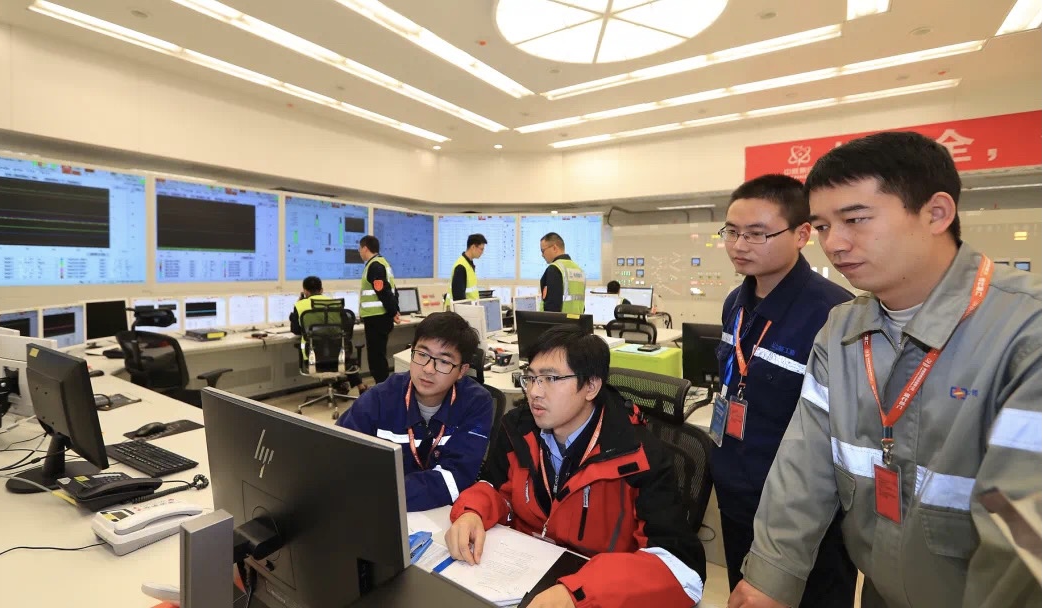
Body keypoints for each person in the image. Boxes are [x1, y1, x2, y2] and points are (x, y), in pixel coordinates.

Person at [728, 132, 1042, 608]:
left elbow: (1024, 537)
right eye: (824, 226)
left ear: (936, 213)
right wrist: (771, 577)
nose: (835, 243)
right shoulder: (843, 328)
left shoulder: (1024, 330)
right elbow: (805, 464)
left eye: (855, 220)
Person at [444, 325, 706, 607]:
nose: (534, 392)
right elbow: (496, 488)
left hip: (599, 593)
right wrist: (472, 511)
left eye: (550, 378)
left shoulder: (638, 456)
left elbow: (682, 572)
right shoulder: (518, 429)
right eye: (530, 378)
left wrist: (580, 593)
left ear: (591, 386)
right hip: (521, 578)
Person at [713, 174, 856, 606]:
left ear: (802, 234)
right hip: (737, 490)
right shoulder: (735, 302)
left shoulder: (833, 312)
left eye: (757, 234)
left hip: (803, 511)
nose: (740, 244)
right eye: (732, 232)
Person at [337, 312, 493, 512]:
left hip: (443, 515)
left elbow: (458, 476)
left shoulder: (476, 403)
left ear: (462, 371)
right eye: (422, 354)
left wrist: (384, 492)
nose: (428, 369)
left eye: (444, 362)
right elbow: (340, 455)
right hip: (381, 511)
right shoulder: (380, 398)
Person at [289, 275, 363, 392]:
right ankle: (357, 386)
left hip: (312, 356)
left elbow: (296, 331)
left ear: (305, 291)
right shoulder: (335, 303)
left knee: (324, 348)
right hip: (338, 356)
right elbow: (346, 327)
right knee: (339, 350)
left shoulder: (299, 305)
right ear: (322, 290)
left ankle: (339, 386)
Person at [358, 235, 400, 385]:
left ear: (365, 248)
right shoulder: (383, 263)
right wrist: (395, 310)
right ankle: (382, 388)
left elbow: (383, 291)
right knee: (378, 356)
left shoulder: (374, 266)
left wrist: (393, 311)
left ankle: (382, 389)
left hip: (377, 318)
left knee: (376, 358)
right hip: (380, 317)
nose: (359, 252)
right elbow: (393, 289)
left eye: (360, 249)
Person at [539, 232, 585, 314]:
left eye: (543, 251)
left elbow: (552, 307)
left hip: (559, 324)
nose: (542, 255)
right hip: (577, 324)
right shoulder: (579, 270)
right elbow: (581, 306)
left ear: (554, 248)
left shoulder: (554, 269)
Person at [448, 233, 487, 306]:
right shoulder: (461, 266)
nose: (482, 252)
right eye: (481, 249)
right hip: (461, 313)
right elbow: (459, 299)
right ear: (473, 247)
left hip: (470, 311)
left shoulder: (468, 264)